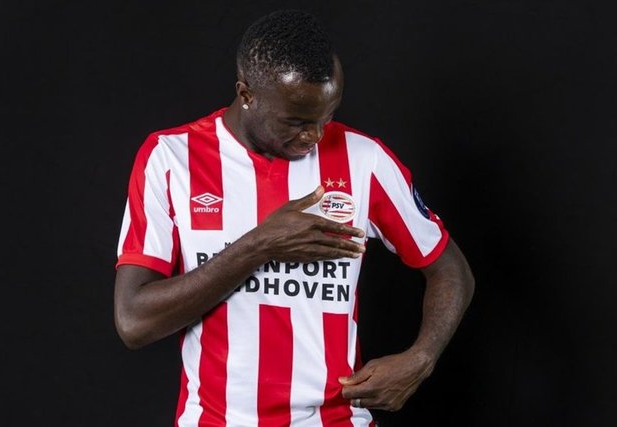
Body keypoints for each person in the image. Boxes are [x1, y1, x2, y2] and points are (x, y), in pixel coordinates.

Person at [114, 9, 474, 427]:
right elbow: (134, 321)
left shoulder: (365, 160)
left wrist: (421, 358)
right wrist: (261, 244)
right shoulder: (171, 159)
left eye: (326, 117)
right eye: (296, 121)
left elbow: (451, 270)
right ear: (246, 94)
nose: (315, 136)